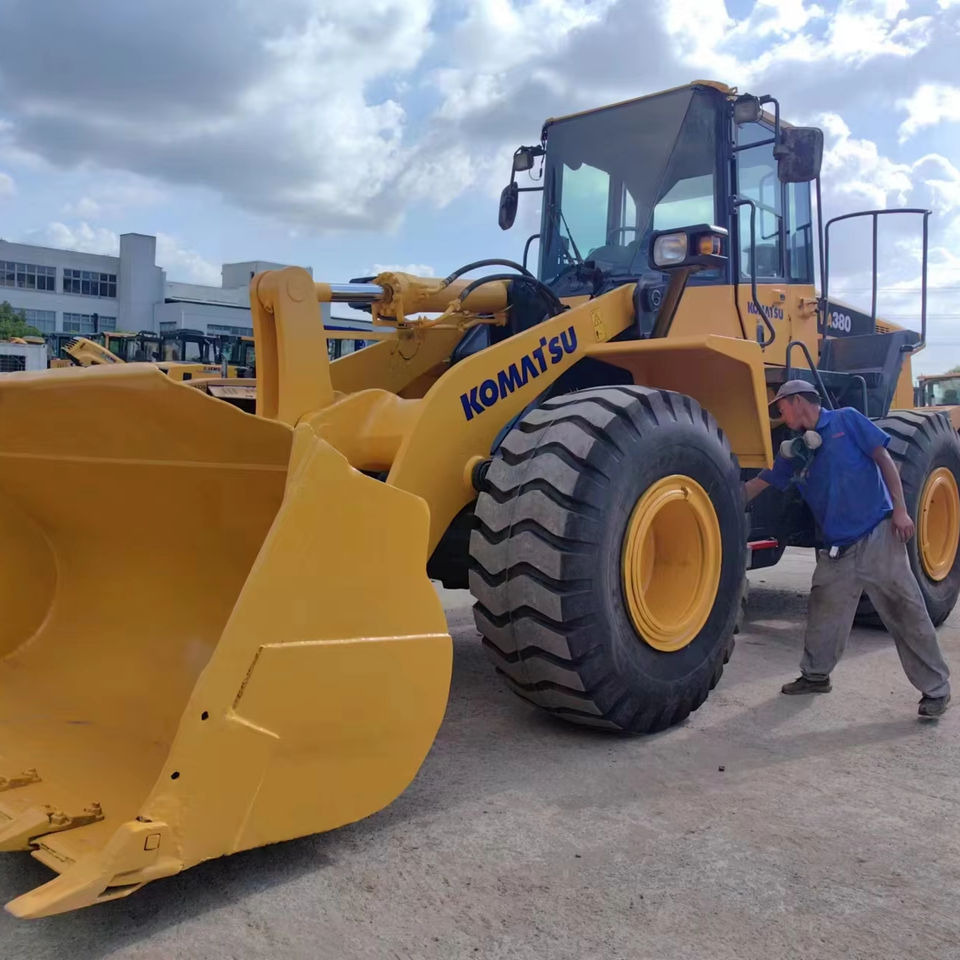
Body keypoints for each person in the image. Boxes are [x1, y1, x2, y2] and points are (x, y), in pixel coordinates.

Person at [743, 380, 951, 718]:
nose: (779, 414)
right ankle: (815, 676)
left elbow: (884, 459)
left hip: (878, 535)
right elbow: (761, 482)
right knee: (823, 613)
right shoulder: (795, 450)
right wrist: (726, 498)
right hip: (838, 549)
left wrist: (900, 510)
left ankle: (937, 690)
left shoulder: (847, 420)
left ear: (797, 401)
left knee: (906, 612)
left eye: (781, 407)